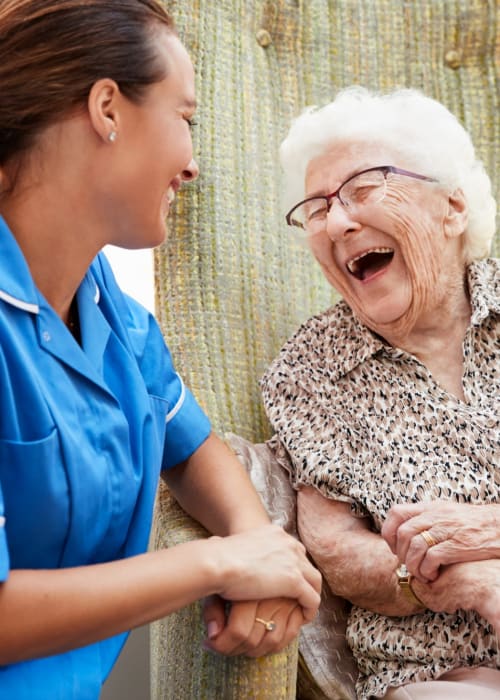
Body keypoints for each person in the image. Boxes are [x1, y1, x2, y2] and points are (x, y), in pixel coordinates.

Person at [0, 1, 322, 697]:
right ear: (108, 109)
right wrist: (219, 566)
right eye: (186, 119)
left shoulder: (111, 312)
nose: (193, 164)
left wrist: (257, 540)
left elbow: (192, 446)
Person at [260, 86, 499, 699]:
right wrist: (471, 584)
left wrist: (482, 536)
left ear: (453, 207)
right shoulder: (310, 368)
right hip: (441, 675)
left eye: (365, 188)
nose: (338, 220)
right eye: (317, 208)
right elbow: (337, 552)